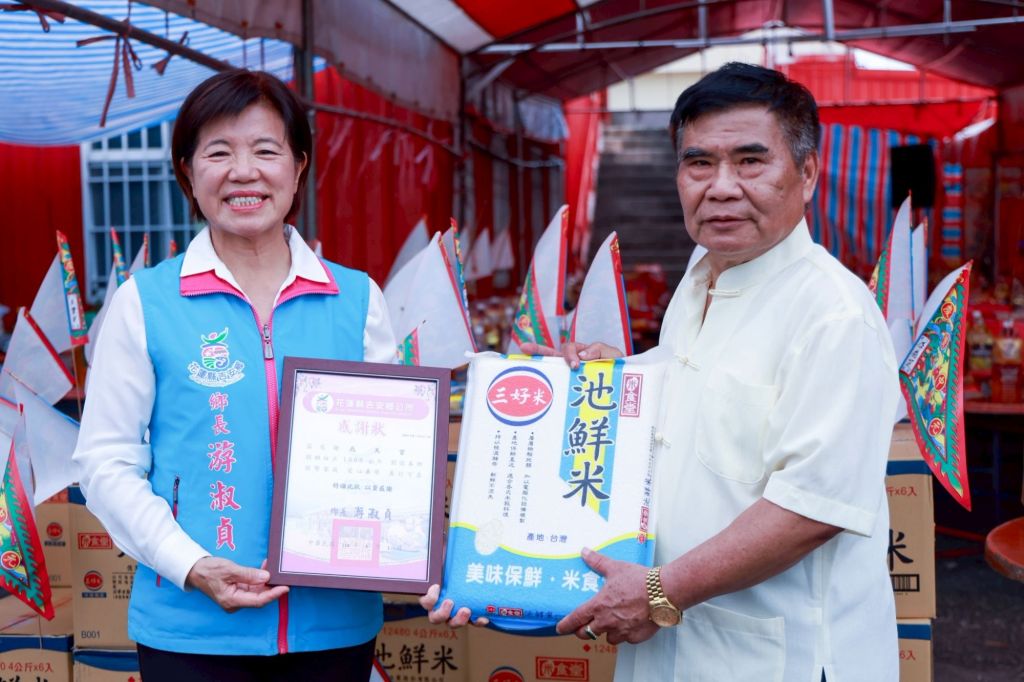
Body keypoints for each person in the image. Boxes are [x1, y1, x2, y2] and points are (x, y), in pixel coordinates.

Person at [435, 62, 900, 681]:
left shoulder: (834, 315)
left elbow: (809, 510)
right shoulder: (703, 277)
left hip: (778, 656)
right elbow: (692, 380)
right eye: (699, 163)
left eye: (751, 161)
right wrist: (604, 376)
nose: (722, 187)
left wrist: (659, 591)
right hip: (673, 646)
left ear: (808, 172)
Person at [73, 70, 396, 682]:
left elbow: (391, 459)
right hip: (190, 630)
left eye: (266, 151)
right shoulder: (145, 303)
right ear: (188, 173)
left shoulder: (358, 300)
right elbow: (105, 461)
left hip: (333, 626)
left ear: (298, 168)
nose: (243, 172)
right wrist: (189, 564)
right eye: (218, 153)